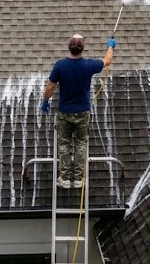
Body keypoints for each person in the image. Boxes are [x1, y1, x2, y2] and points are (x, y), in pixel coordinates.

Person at [41, 34, 115, 189]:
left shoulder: (60, 65)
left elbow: (50, 87)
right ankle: (79, 179)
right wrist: (110, 46)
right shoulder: (88, 65)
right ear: (82, 48)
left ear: (69, 47)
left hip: (65, 113)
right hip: (82, 112)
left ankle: (65, 179)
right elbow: (107, 61)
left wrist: (45, 101)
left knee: (64, 144)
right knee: (81, 143)